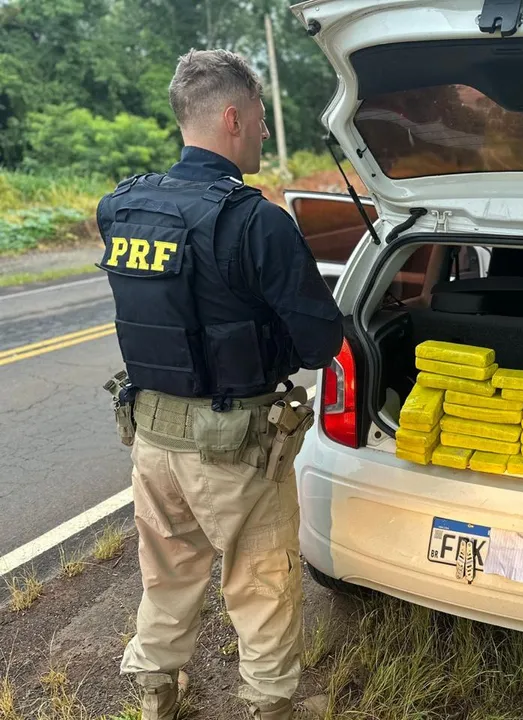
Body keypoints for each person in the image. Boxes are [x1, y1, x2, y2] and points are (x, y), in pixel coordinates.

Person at [95, 49, 344, 720]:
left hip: (150, 435)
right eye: (261, 121)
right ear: (234, 117)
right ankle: (266, 705)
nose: (263, 134)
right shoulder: (257, 221)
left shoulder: (121, 207)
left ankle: (155, 692)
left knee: (167, 571)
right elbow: (321, 344)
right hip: (234, 448)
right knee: (260, 582)